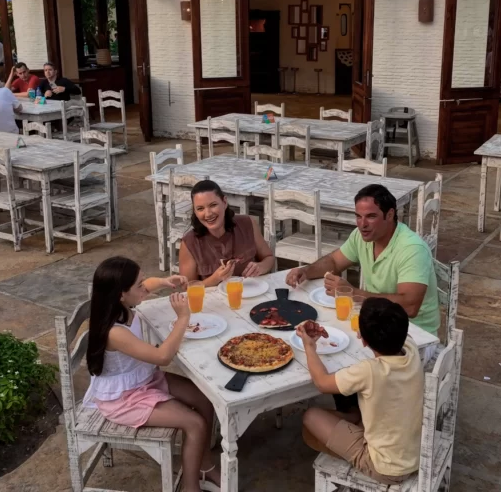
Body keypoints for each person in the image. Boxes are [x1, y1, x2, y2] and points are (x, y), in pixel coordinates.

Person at [84, 256, 221, 492]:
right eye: (139, 285)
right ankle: (190, 488)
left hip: (142, 378)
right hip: (124, 398)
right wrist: (183, 318)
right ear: (121, 294)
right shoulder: (114, 332)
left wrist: (166, 281)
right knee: (195, 423)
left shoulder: (121, 303)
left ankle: (204, 465)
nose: (144, 287)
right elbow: (163, 357)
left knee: (205, 399)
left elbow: (150, 285)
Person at [298, 298, 424, 486]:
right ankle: (354, 419)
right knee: (348, 400)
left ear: (363, 340)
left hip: (385, 467)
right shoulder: (410, 348)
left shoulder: (370, 371)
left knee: (310, 420)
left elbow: (322, 383)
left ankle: (353, 425)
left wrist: (309, 345)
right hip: (414, 451)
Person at [285, 184, 439, 335]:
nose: (362, 224)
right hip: (378, 320)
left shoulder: (412, 249)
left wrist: (353, 294)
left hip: (415, 333)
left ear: (390, 215)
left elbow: (410, 307)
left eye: (371, 216)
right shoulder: (361, 236)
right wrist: (306, 270)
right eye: (358, 216)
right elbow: (334, 261)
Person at [179, 180, 275, 287]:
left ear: (224, 202)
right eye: (200, 208)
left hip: (251, 293)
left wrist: (261, 266)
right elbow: (187, 288)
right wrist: (215, 279)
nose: (208, 214)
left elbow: (269, 258)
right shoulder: (189, 243)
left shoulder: (248, 224)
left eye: (213, 205)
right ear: (195, 211)